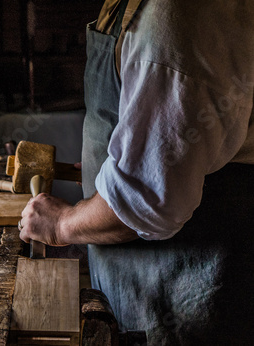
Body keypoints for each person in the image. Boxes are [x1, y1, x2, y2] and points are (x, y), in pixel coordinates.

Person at [18, 0, 254, 344]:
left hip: (182, 288)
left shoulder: (171, 17)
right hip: (142, 285)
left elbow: (149, 198)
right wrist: (114, 169)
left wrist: (60, 224)